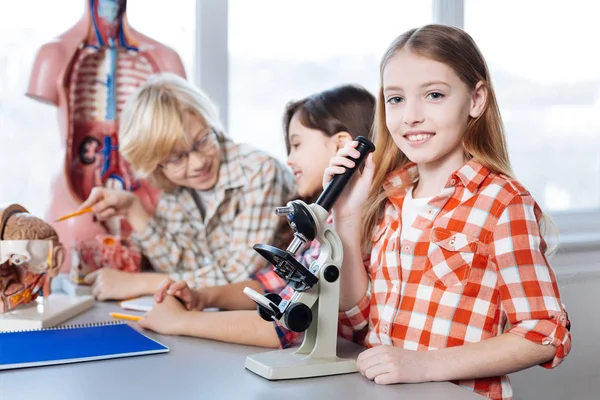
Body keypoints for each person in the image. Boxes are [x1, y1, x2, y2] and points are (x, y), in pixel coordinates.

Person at [324, 25, 571, 400]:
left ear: (475, 100)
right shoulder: (390, 199)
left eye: (434, 95)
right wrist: (345, 216)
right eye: (396, 99)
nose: (411, 116)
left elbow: (544, 332)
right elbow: (357, 320)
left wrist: (423, 365)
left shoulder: (502, 202)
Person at [137, 84, 376, 348]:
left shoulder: (353, 222)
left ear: (342, 144)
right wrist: (202, 297)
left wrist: (180, 322)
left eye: (296, 145)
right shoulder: (325, 220)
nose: (288, 160)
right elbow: (274, 283)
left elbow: (287, 326)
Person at [78, 72, 296, 300]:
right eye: (177, 157)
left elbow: (239, 277)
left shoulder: (258, 171)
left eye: (202, 140)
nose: (198, 163)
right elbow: (179, 265)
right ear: (155, 164)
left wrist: (140, 282)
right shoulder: (174, 189)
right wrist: (134, 210)